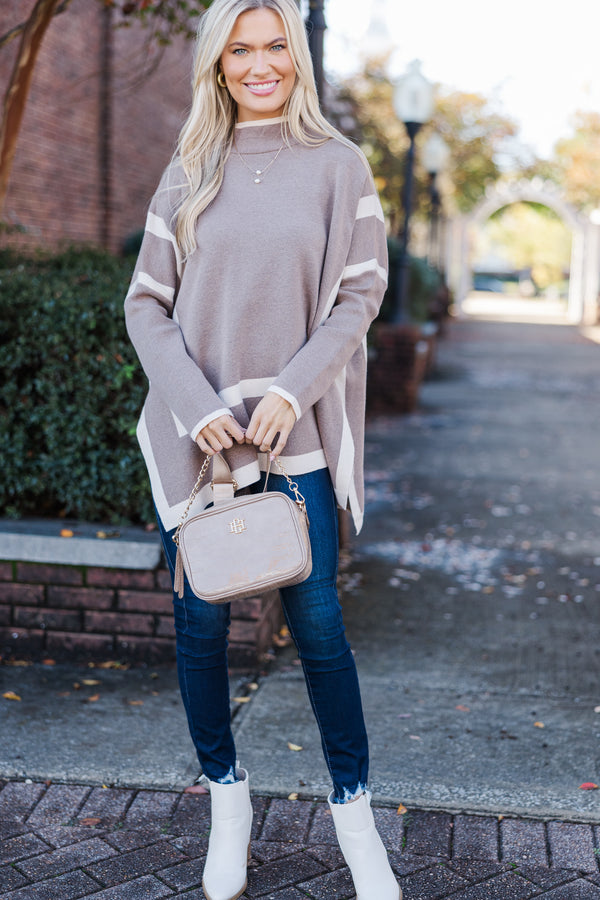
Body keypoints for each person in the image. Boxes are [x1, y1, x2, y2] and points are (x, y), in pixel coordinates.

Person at [124, 1, 400, 898]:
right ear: (217, 63)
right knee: (201, 623)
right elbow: (145, 305)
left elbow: (359, 295)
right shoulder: (189, 168)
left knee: (318, 626)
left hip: (297, 436)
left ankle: (357, 824)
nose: (259, 64)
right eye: (240, 49)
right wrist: (197, 404)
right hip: (202, 444)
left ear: (296, 58)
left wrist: (291, 390)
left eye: (275, 45)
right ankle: (226, 804)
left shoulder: (338, 165)